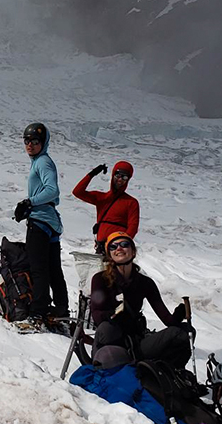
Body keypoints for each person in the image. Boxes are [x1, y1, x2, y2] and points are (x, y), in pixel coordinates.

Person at [87, 231, 191, 369]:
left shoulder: (144, 283)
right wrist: (114, 314)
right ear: (109, 254)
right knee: (107, 329)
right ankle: (107, 369)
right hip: (110, 344)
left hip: (136, 344)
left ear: (133, 252)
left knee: (184, 332)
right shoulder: (100, 279)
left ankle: (167, 377)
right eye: (113, 246)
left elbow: (167, 320)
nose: (119, 248)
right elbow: (97, 316)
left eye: (124, 244)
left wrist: (178, 315)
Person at [13, 122, 68, 318]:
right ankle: (61, 308)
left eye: (35, 141)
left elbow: (52, 190)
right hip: (50, 223)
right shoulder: (41, 161)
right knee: (54, 270)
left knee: (38, 269)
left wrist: (29, 203)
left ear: (43, 143)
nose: (30, 145)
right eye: (27, 141)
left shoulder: (42, 162)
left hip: (40, 222)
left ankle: (38, 311)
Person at [72, 160, 140, 255]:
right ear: (113, 175)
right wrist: (92, 174)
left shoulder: (131, 202)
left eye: (124, 177)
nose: (120, 180)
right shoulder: (102, 198)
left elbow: (133, 227)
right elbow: (77, 192)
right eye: (118, 175)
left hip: (117, 249)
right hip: (101, 247)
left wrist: (122, 245)